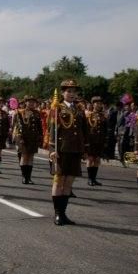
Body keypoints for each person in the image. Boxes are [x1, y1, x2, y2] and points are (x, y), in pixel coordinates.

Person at [48, 80, 89, 225]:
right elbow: (52, 129)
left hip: (75, 150)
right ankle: (57, 214)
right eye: (69, 91)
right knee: (59, 181)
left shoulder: (79, 109)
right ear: (63, 93)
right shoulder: (56, 108)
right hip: (62, 149)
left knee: (69, 182)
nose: (72, 94)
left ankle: (64, 214)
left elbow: (84, 131)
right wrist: (52, 149)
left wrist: (85, 149)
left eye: (74, 91)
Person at [14, 95, 43, 184]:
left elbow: (39, 126)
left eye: (33, 102)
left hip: (33, 137)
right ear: (25, 102)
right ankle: (24, 177)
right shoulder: (20, 112)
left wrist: (40, 136)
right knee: (24, 156)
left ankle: (29, 177)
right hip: (23, 137)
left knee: (31, 157)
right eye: (29, 101)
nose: (31, 103)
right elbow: (18, 126)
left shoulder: (37, 113)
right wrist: (20, 138)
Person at [85, 97, 107, 186]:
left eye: (100, 103)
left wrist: (105, 140)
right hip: (91, 140)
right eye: (96, 103)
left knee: (97, 160)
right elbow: (86, 128)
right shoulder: (89, 115)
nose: (98, 105)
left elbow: (105, 129)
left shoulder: (103, 116)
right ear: (93, 104)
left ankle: (94, 179)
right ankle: (90, 179)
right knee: (90, 159)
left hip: (100, 140)